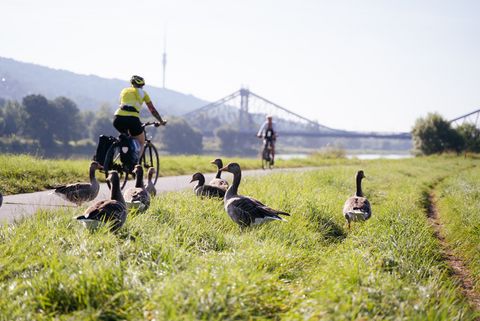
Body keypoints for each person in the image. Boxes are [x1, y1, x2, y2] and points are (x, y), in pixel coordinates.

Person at [113, 75, 167, 159]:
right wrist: (161, 121)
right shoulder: (143, 93)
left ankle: (120, 156)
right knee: (141, 142)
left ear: (132, 83)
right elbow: (152, 110)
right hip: (133, 119)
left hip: (118, 118)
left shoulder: (124, 91)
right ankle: (136, 164)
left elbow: (121, 104)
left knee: (125, 138)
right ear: (142, 85)